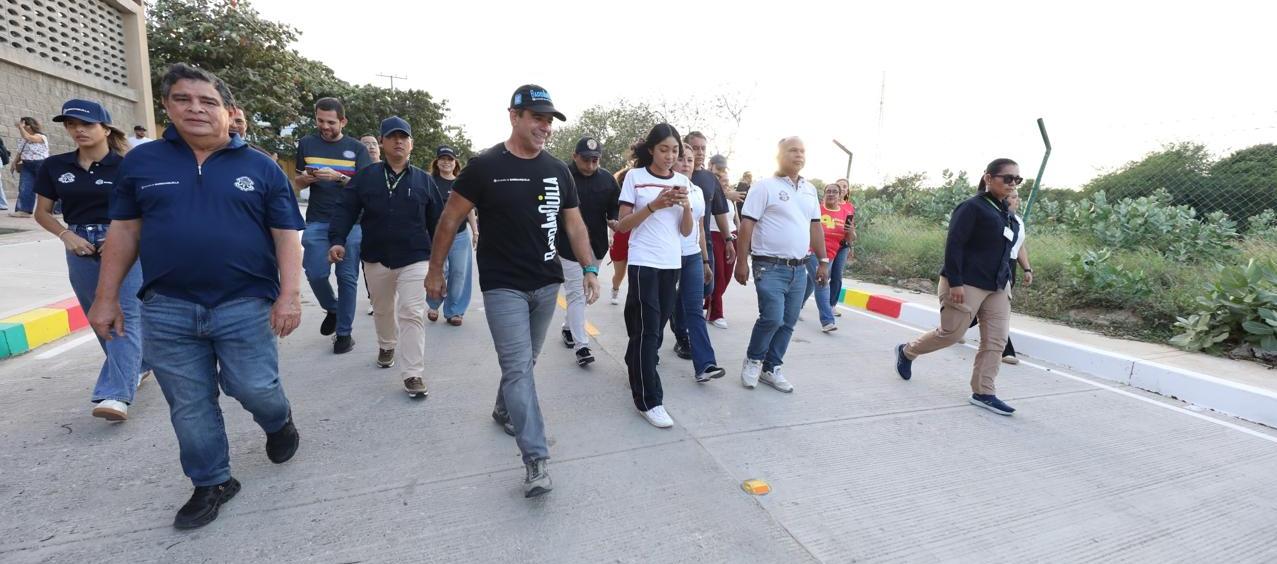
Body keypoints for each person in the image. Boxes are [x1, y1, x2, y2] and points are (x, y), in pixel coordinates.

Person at [90, 63, 304, 529]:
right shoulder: (143, 164)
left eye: (208, 101)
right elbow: (124, 231)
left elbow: (286, 235)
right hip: (168, 306)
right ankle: (212, 481)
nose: (196, 109)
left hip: (245, 302)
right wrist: (105, 298)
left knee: (255, 387)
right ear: (166, 107)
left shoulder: (261, 167)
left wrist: (290, 295)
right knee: (189, 404)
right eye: (183, 100)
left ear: (228, 111)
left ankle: (277, 420)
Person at [426, 84, 598, 498]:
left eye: (549, 120)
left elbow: (574, 223)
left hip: (546, 283)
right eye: (537, 118)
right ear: (514, 116)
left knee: (527, 360)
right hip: (503, 285)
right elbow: (450, 219)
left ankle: (504, 408)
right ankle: (536, 459)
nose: (545, 127)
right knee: (519, 368)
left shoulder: (557, 171)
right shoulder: (484, 166)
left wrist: (590, 267)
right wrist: (434, 271)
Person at [32, 98, 150, 421]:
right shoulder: (55, 166)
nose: (78, 130)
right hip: (79, 245)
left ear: (106, 128)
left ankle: (116, 395)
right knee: (97, 315)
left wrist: (121, 237)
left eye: (86, 124)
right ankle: (139, 364)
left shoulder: (127, 166)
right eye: (71, 124)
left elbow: (147, 209)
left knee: (124, 314)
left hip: (124, 241)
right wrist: (66, 235)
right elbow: (42, 212)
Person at [894, 158, 1023, 416]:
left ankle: (984, 392)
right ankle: (907, 351)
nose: (1013, 183)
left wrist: (1011, 278)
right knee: (951, 333)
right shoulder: (972, 207)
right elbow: (955, 244)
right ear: (988, 178)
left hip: (998, 286)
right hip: (967, 282)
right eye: (1007, 178)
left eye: (1017, 179)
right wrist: (955, 282)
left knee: (996, 340)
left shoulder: (1007, 214)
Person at [330, 117, 443, 396]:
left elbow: (437, 222)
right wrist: (337, 240)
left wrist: (439, 263)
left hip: (415, 257)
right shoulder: (366, 177)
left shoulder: (424, 181)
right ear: (382, 142)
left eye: (403, 137)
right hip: (376, 256)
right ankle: (386, 345)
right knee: (382, 309)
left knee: (412, 312)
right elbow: (345, 209)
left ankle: (413, 373)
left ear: (411, 144)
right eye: (392, 137)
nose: (398, 142)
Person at [614, 123, 694, 428]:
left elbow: (686, 231)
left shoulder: (682, 181)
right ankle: (649, 400)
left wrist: (686, 207)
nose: (670, 156)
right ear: (651, 150)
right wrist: (654, 205)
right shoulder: (635, 178)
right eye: (664, 149)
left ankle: (635, 362)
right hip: (643, 262)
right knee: (648, 331)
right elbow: (623, 225)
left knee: (655, 330)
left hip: (671, 263)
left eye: (675, 150)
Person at [735, 137, 827, 394]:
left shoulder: (810, 190)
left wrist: (823, 261)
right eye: (792, 150)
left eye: (802, 151)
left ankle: (771, 367)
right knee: (772, 317)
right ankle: (754, 360)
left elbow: (815, 227)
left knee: (788, 322)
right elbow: (747, 225)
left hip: (800, 268)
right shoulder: (764, 187)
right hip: (769, 266)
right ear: (779, 155)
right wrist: (741, 262)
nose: (799, 155)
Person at [293, 97, 371, 354]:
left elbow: (366, 188)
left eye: (330, 122)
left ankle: (344, 334)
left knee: (347, 278)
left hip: (352, 223)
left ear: (343, 121)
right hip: (317, 220)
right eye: (320, 121)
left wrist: (339, 177)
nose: (325, 127)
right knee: (315, 273)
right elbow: (297, 181)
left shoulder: (357, 149)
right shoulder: (306, 144)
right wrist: (306, 179)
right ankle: (333, 308)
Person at [558, 136, 620, 366]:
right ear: (575, 156)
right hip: (567, 245)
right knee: (577, 291)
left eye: (595, 160)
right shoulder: (562, 176)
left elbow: (615, 204)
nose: (591, 165)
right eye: (586, 160)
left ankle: (568, 327)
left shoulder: (607, 179)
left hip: (596, 246)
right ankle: (582, 346)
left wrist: (613, 219)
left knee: (582, 293)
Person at [669, 143, 726, 382]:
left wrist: (704, 260)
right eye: (681, 158)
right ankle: (646, 356)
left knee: (694, 308)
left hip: (692, 255)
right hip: (667, 256)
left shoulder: (698, 191)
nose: (686, 163)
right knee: (660, 308)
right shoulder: (663, 187)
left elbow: (701, 228)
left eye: (690, 160)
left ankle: (705, 365)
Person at [684, 133, 736, 327]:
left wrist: (728, 240)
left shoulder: (709, 178)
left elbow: (720, 211)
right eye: (695, 148)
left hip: (703, 243)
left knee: (708, 287)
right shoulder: (677, 174)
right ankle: (684, 329)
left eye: (703, 148)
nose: (700, 152)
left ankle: (684, 318)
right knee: (689, 292)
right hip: (678, 244)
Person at [425, 145, 477, 326]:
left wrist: (475, 231)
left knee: (459, 273)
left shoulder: (462, 183)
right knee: (440, 270)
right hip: (435, 235)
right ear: (437, 162)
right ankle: (433, 305)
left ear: (455, 163)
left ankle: (454, 311)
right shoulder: (429, 181)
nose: (446, 162)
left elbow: (469, 210)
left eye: (450, 159)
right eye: (442, 159)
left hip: (460, 235)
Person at [805, 182, 855, 332]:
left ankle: (794, 306)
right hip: (812, 250)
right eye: (828, 191)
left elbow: (849, 238)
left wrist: (851, 231)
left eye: (835, 192)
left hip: (831, 253)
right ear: (824, 194)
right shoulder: (816, 209)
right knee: (822, 281)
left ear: (840, 196)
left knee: (812, 280)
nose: (831, 194)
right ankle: (827, 321)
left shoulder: (846, 213)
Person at [607, 141, 644, 306]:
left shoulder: (659, 176)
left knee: (636, 273)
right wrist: (611, 235)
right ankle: (615, 288)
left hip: (641, 234)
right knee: (619, 272)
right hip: (623, 233)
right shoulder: (626, 176)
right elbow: (616, 212)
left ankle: (635, 299)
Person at [9, 116, 49, 217]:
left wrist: (20, 127)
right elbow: (20, 153)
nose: (21, 127)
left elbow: (29, 137)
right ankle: (24, 210)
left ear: (29, 126)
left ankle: (57, 209)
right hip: (26, 165)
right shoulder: (23, 139)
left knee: (48, 187)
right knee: (25, 187)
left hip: (41, 164)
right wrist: (14, 163)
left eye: (24, 125)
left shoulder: (41, 136)